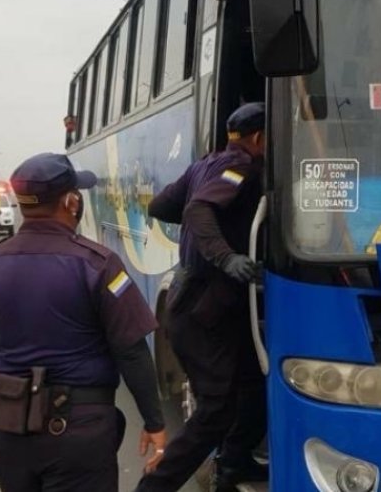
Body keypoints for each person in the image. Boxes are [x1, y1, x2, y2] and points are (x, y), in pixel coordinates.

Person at [0, 153, 167, 492]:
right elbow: (131, 351)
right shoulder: (99, 265)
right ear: (71, 201)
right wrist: (154, 421)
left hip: (9, 430)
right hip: (78, 436)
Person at [134, 103, 268, 492]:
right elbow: (197, 208)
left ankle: (234, 467)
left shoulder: (203, 164)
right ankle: (156, 486)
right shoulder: (240, 168)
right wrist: (225, 255)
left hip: (208, 303)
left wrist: (213, 235)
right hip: (203, 309)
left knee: (254, 386)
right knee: (216, 411)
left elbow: (161, 205)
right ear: (260, 137)